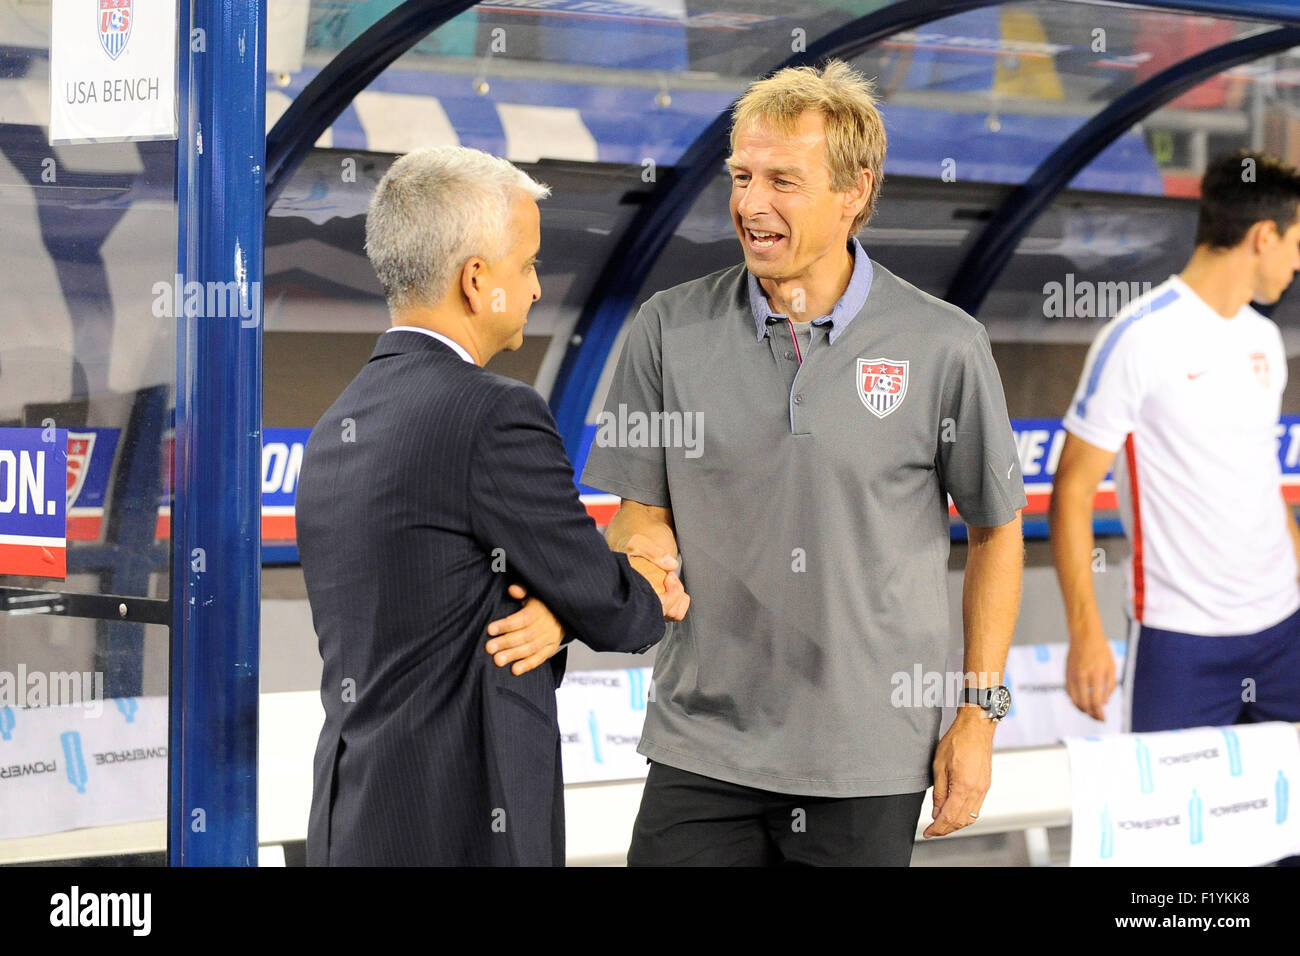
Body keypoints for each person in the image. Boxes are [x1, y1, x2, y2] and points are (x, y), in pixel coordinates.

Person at [581, 61, 1026, 866]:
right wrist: (642, 555)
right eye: (742, 176)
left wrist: (978, 716)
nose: (752, 204)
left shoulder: (943, 345)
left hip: (866, 760)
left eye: (784, 180)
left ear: (855, 191)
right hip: (700, 748)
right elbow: (639, 513)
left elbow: (997, 535)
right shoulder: (666, 330)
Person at [295, 146, 680, 866]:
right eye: (528, 263)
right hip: (465, 829)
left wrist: (559, 612)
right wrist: (646, 578)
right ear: (476, 280)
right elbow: (612, 606)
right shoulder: (493, 415)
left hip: (353, 822)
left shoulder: (335, 427)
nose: (536, 289)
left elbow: (440, 602)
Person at [1051, 149, 1300, 734]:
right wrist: (1085, 632)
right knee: (1176, 821)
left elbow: (1261, 484)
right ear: (1264, 236)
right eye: (1296, 243)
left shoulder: (1266, 339)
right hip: (1181, 641)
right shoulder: (1137, 338)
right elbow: (1072, 492)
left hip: (1284, 628)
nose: (1297, 262)